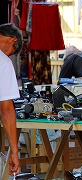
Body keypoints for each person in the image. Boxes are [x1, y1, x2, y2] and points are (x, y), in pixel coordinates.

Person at [0, 23, 23, 176]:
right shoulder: (3, 62)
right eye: (12, 52)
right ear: (12, 41)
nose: (8, 55)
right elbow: (6, 109)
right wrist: (14, 151)